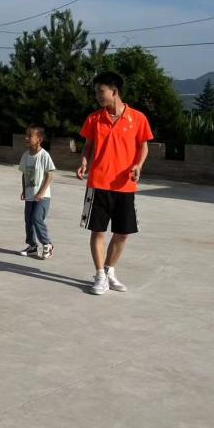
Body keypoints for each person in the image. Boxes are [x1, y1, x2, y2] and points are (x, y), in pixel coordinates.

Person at [77, 72, 153, 295]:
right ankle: (100, 275)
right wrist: (84, 162)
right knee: (98, 231)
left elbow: (144, 146)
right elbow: (88, 146)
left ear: (114, 91)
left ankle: (110, 270)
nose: (97, 96)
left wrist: (138, 165)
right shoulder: (94, 119)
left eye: (101, 91)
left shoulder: (137, 118)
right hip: (98, 183)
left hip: (125, 185)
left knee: (123, 233)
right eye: (96, 92)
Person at [18, 125, 56, 259]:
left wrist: (41, 192)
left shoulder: (44, 155)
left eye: (30, 136)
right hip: (29, 195)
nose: (26, 138)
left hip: (43, 196)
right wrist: (24, 190)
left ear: (39, 139)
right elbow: (24, 174)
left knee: (36, 218)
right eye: (26, 135)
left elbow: (50, 175)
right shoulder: (25, 155)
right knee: (28, 221)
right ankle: (32, 247)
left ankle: (47, 244)